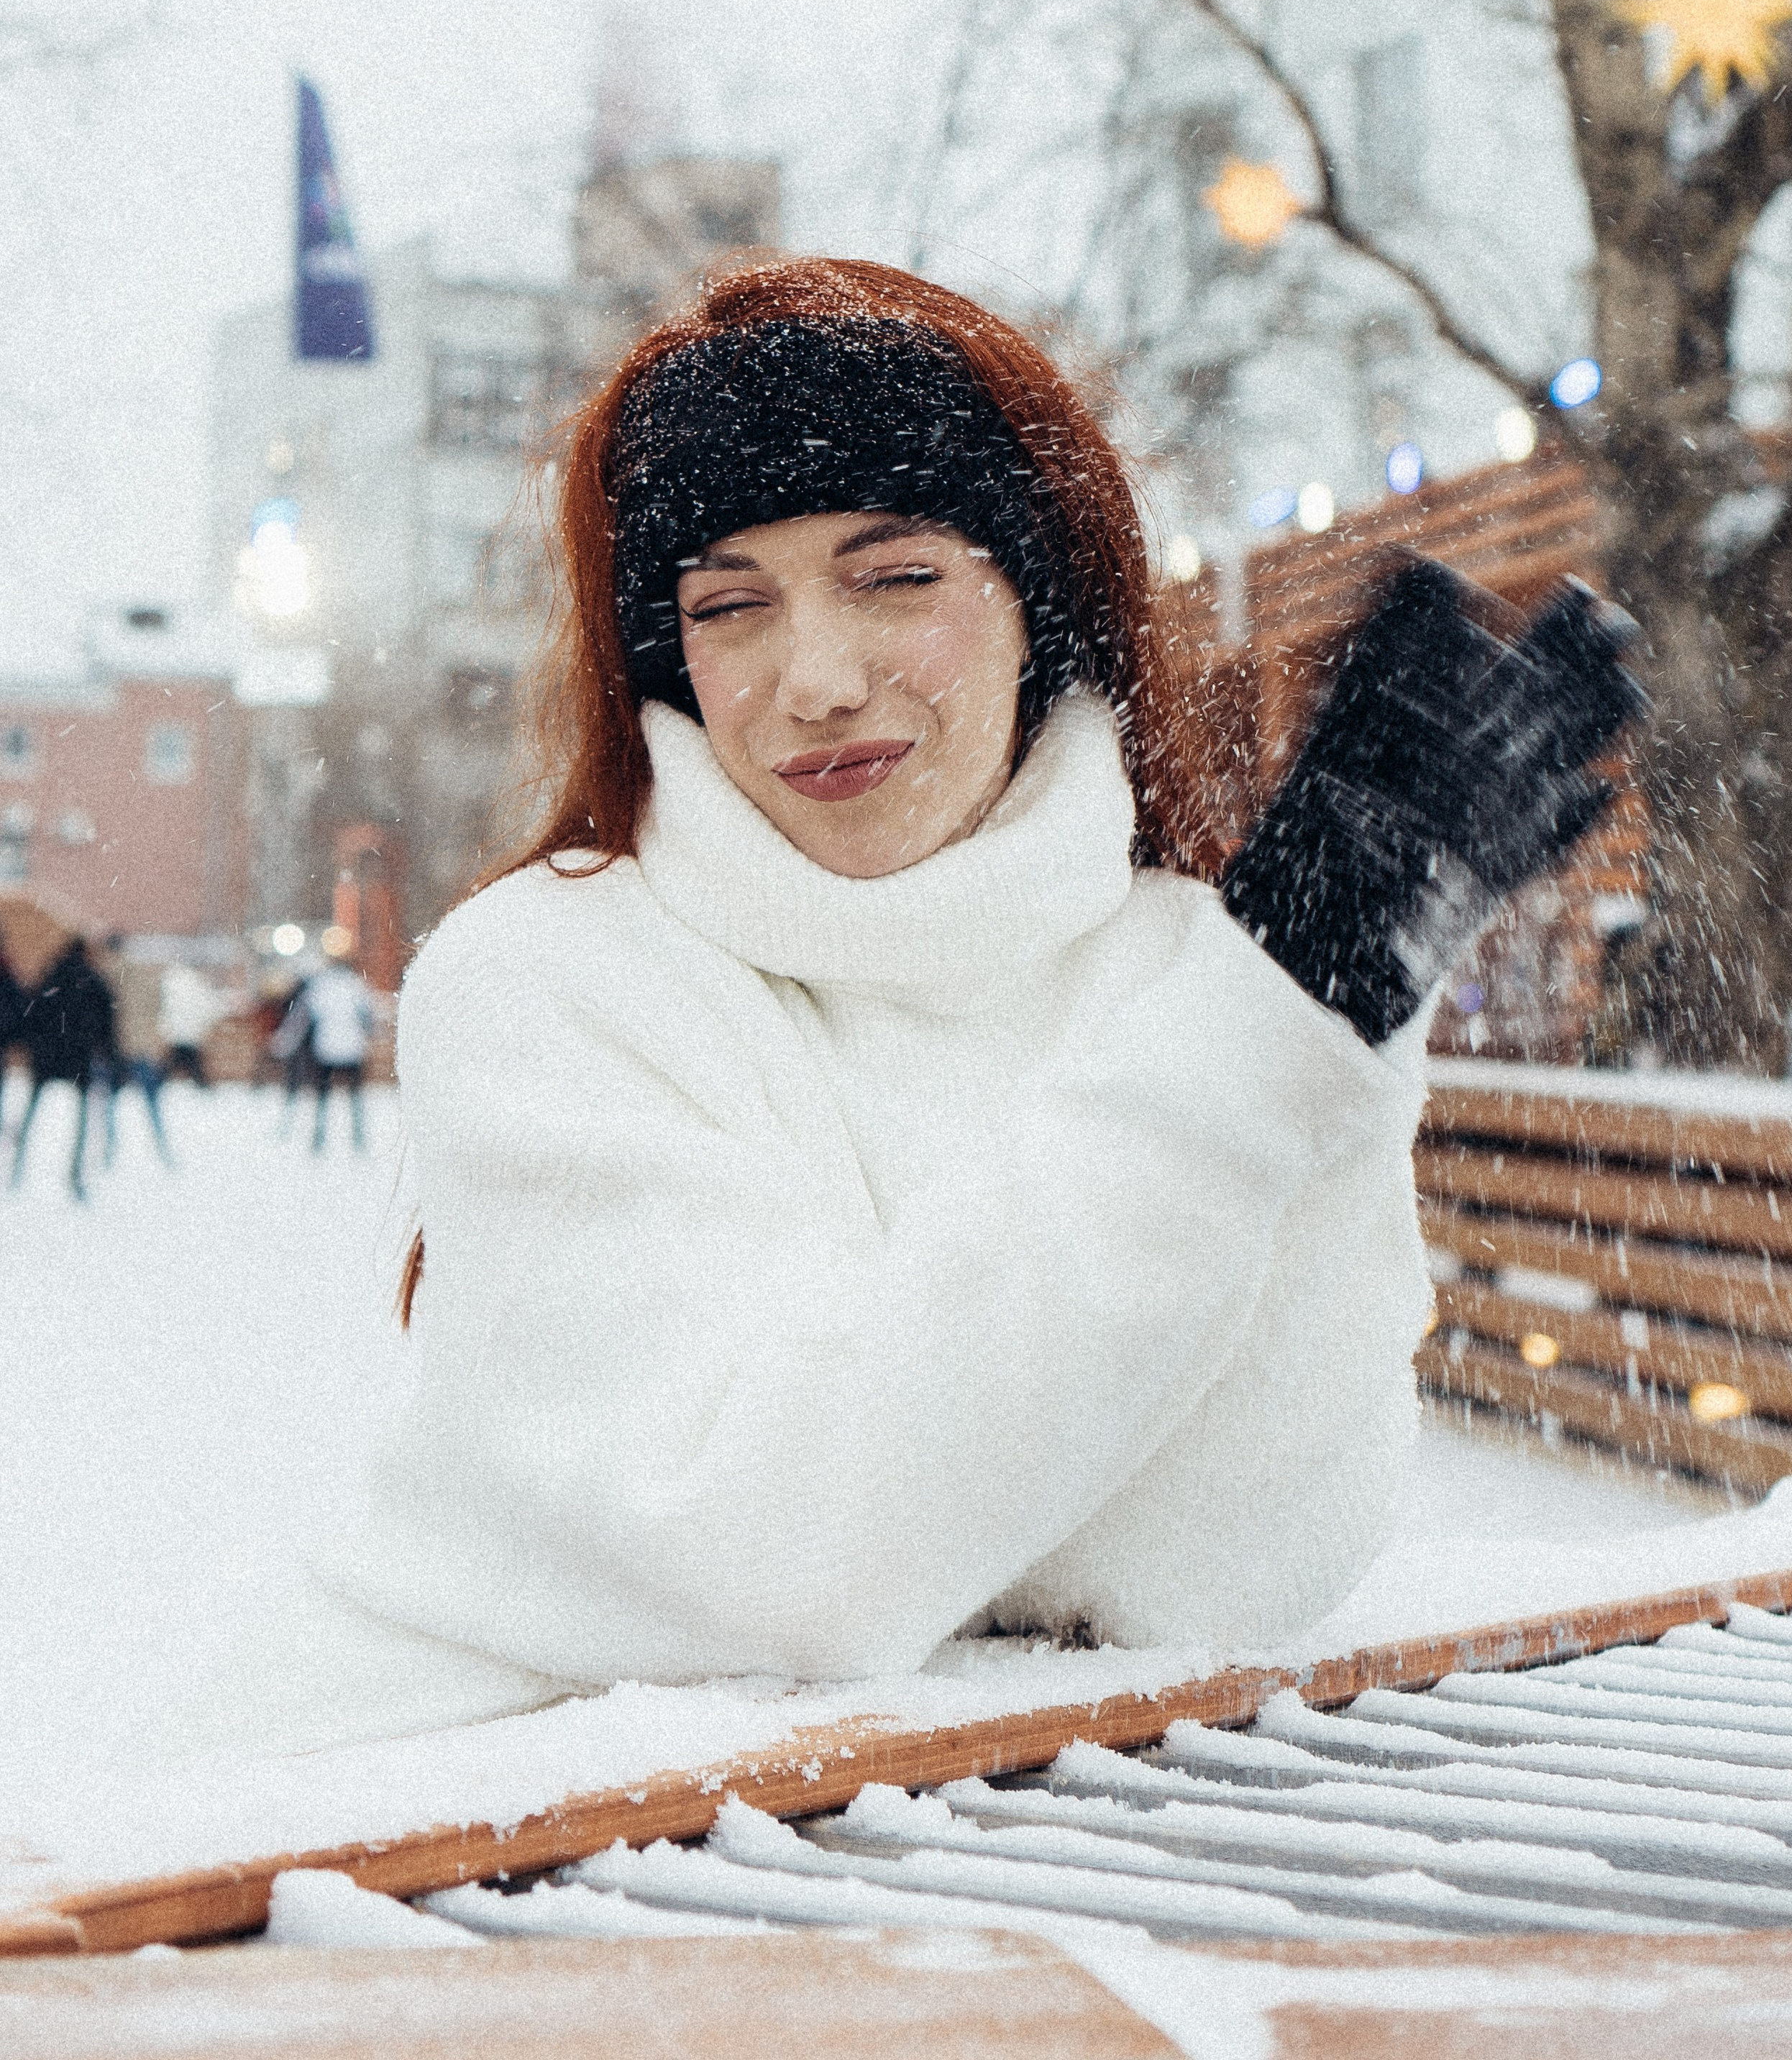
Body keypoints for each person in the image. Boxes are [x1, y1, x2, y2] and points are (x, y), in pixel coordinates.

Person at [305, 255, 1641, 1722]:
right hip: (409, 1848)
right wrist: (1251, 1049)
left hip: (974, 1869)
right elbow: (779, 1556)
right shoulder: (551, 980)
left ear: (1036, 604)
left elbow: (1232, 1568)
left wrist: (1301, 1018)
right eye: (731, 606)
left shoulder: (1216, 971)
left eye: (895, 578)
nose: (814, 678)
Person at [7, 937, 117, 1201]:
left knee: (31, 1113)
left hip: (46, 1058)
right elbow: (108, 1024)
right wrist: (109, 1055)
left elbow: (28, 1016)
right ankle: (75, 1175)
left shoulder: (49, 978)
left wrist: (29, 1046)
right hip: (77, 1059)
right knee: (81, 1119)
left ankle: (17, 1170)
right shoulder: (93, 982)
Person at [98, 935, 174, 1168]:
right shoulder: (140, 973)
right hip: (139, 1046)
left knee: (108, 1102)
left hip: (115, 1048)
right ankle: (163, 1149)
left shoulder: (105, 975)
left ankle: (108, 1151)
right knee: (151, 1102)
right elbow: (156, 1005)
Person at [295, 946, 375, 1153]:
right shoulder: (356, 985)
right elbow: (367, 1017)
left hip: (326, 1047)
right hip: (353, 1047)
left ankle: (319, 1139)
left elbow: (306, 1018)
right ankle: (359, 1139)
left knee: (323, 1096)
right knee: (355, 1096)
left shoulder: (320, 986)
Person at [157, 962, 221, 1086]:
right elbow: (208, 1009)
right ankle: (202, 1087)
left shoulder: (174, 984)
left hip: (178, 1035)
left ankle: (158, 1083)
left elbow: (167, 1011)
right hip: (190, 1035)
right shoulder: (198, 985)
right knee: (193, 1065)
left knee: (173, 1064)